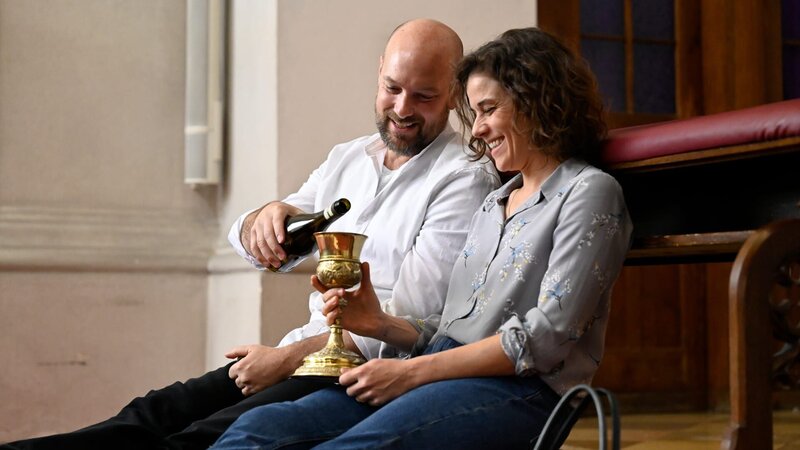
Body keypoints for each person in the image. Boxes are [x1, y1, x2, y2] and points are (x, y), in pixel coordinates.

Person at [1, 19, 499, 450]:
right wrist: (266, 215)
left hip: (354, 375)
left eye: (424, 96)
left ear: (454, 94)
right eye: (392, 87)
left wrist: (283, 360)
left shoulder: (463, 178)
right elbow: (256, 248)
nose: (403, 107)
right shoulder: (350, 156)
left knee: (196, 439)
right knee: (150, 412)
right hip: (299, 353)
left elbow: (404, 324)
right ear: (378, 74)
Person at [210, 27, 634, 450]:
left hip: (520, 388)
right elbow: (447, 326)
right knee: (256, 431)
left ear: (538, 103)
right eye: (475, 112)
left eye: (489, 110)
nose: (479, 129)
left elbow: (545, 341)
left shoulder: (588, 192)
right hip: (439, 368)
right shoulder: (495, 202)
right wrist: (379, 324)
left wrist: (411, 373)